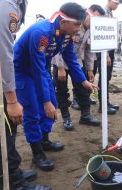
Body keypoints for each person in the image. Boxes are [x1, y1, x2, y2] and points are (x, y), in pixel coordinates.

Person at [13, 2, 97, 172]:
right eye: (76, 25)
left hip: (40, 69)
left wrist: (83, 81)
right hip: (23, 71)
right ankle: (37, 154)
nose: (78, 29)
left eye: (80, 25)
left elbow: (71, 58)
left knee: (53, 103)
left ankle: (44, 141)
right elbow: (35, 69)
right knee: (33, 111)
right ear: (63, 21)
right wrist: (44, 102)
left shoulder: (65, 34)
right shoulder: (41, 33)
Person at [0, 0, 51, 189]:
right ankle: (13, 183)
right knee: (4, 128)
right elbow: (2, 53)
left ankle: (11, 173)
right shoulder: (6, 5)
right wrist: (11, 99)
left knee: (2, 129)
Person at [52, 4, 105, 130]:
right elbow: (58, 46)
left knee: (83, 89)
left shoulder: (91, 30)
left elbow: (89, 51)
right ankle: (66, 118)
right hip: (61, 63)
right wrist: (60, 67)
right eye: (94, 18)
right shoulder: (73, 25)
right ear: (88, 15)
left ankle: (85, 115)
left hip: (77, 63)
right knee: (61, 91)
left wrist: (90, 69)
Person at [94, 0, 122, 115]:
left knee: (107, 77)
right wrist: (105, 55)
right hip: (104, 51)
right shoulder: (103, 13)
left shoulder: (109, 13)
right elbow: (102, 36)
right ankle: (103, 105)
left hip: (109, 50)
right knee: (104, 77)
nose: (117, 6)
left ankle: (106, 102)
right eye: (116, 3)